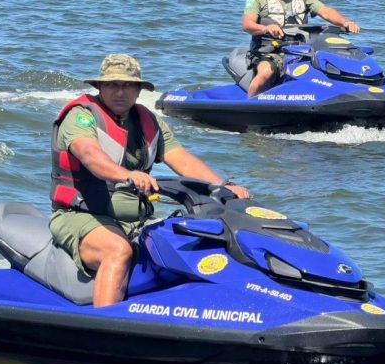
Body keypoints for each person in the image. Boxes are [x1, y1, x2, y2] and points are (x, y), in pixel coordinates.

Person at [50, 54, 250, 308]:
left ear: (138, 90)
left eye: (127, 85)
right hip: (80, 216)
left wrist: (224, 187)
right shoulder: (81, 117)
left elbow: (182, 160)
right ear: (100, 86)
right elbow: (90, 156)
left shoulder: (149, 122)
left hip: (134, 219)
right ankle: (106, 322)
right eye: (112, 85)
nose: (119, 92)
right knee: (118, 250)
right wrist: (127, 175)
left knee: (188, 242)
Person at [241, 0, 362, 97]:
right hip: (269, 51)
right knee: (266, 72)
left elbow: (325, 11)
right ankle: (250, 103)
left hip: (301, 51)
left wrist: (345, 22)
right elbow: (247, 25)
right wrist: (266, 28)